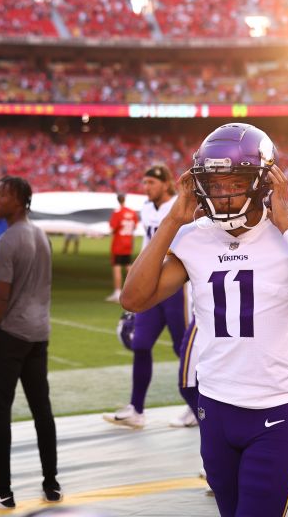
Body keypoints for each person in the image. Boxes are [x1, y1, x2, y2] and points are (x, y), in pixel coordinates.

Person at [122, 123, 288, 517]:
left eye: (235, 181)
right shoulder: (194, 235)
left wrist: (287, 226)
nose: (224, 194)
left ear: (265, 182)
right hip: (213, 407)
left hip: (273, 410)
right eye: (214, 184)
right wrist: (171, 223)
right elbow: (135, 297)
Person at [0, 176, 60, 509]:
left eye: (2, 194)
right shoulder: (41, 235)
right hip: (39, 334)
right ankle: (51, 483)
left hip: (11, 336)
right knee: (42, 411)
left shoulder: (7, 241)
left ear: (20, 201)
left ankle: (4, 490)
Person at [104, 164, 195, 430]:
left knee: (185, 349)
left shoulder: (178, 207)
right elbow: (149, 243)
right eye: (144, 182)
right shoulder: (146, 208)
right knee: (141, 343)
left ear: (166, 183)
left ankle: (197, 405)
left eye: (151, 183)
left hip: (174, 286)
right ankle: (137, 409)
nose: (147, 187)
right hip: (151, 285)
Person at [107, 193, 138, 303]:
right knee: (128, 266)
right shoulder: (132, 212)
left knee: (117, 267)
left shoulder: (117, 212)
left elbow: (112, 227)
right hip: (128, 242)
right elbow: (135, 225)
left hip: (118, 243)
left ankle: (117, 292)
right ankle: (135, 289)